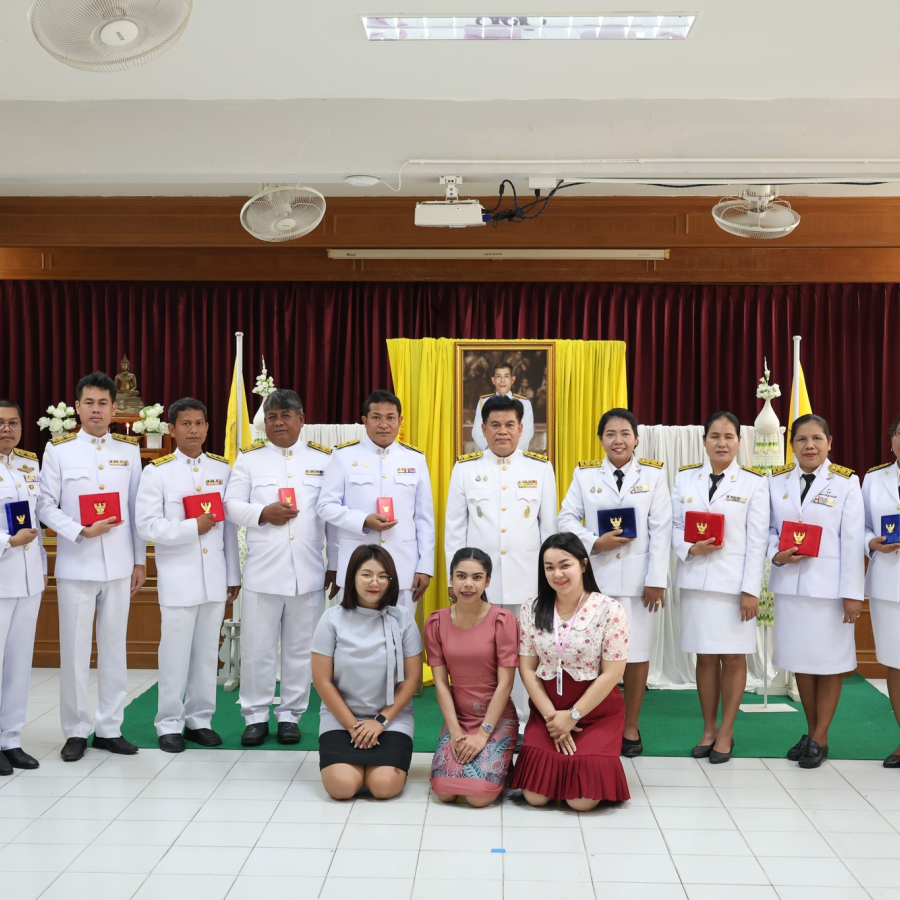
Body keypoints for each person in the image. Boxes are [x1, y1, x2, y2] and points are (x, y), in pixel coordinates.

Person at [38, 371, 146, 762]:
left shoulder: (129, 451)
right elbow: (45, 505)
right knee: (76, 650)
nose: (96, 410)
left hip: (118, 565)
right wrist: (80, 530)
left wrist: (139, 560)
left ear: (115, 408)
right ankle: (76, 730)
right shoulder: (59, 450)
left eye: (103, 403)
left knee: (115, 649)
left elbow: (136, 511)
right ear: (77, 407)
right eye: (89, 402)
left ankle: (109, 728)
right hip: (76, 563)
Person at [223, 389, 337, 747]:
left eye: (286, 416)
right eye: (272, 416)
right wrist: (261, 513)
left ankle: (290, 715)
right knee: (258, 649)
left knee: (301, 649)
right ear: (264, 423)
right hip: (263, 573)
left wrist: (333, 563)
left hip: (309, 573)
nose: (279, 422)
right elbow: (231, 505)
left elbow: (331, 515)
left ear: (301, 420)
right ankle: (255, 716)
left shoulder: (324, 460)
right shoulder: (249, 460)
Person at [558, 407, 671, 757]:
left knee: (635, 656)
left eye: (624, 433)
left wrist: (656, 580)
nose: (618, 440)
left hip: (640, 585)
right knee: (592, 656)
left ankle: (631, 726)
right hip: (596, 583)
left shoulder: (653, 475)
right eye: (610, 434)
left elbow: (662, 529)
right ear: (601, 440)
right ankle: (596, 722)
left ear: (636, 438)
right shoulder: (585, 474)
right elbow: (565, 518)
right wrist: (594, 542)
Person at [444, 394, 558, 727]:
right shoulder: (466, 469)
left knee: (526, 655)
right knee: (483, 657)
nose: (503, 431)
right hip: (481, 587)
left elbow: (549, 532)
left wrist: (549, 583)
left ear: (522, 429)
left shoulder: (540, 468)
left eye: (510, 424)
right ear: (483, 429)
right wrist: (458, 582)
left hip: (528, 585)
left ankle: (523, 722)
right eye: (495, 424)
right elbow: (455, 531)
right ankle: (485, 721)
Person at [135, 398, 241, 752]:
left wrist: (232, 575)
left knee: (207, 653)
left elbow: (228, 530)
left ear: (208, 428)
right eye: (185, 424)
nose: (193, 430)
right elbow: (147, 525)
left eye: (199, 423)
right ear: (171, 429)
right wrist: (191, 527)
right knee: (175, 653)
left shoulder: (222, 470)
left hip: (213, 577)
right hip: (178, 576)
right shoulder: (158, 472)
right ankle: (168, 723)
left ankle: (200, 719)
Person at [671, 412, 770, 764]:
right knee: (704, 656)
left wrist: (750, 591)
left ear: (740, 442)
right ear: (704, 441)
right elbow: (674, 525)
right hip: (696, 582)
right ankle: (709, 728)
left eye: (729, 436)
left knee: (733, 656)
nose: (722, 443)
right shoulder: (686, 480)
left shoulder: (754, 483)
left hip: (733, 588)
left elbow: (758, 543)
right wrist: (689, 549)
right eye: (715, 436)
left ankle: (727, 731)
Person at [769, 413, 864, 768]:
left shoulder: (846, 483)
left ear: (829, 443)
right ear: (791, 445)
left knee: (830, 664)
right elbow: (765, 530)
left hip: (829, 592)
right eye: (801, 440)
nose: (809, 446)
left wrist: (853, 594)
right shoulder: (776, 482)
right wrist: (775, 555)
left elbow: (853, 542)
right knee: (802, 665)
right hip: (791, 589)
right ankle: (813, 734)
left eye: (816, 439)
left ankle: (820, 736)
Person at [512, 532, 630, 810]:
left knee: (581, 802)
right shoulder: (532, 608)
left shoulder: (610, 610)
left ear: (584, 565)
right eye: (549, 567)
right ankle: (559, 770)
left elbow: (612, 674)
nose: (557, 574)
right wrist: (553, 718)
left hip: (595, 714)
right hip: (548, 714)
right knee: (535, 797)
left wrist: (574, 715)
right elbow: (527, 668)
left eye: (565, 565)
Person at [311, 545, 422, 800]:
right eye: (367, 574)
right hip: (341, 719)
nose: (375, 582)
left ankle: (372, 766)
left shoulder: (403, 618)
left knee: (384, 787)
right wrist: (353, 726)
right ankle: (357, 765)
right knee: (342, 787)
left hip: (391, 719)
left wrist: (380, 722)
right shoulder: (332, 619)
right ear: (352, 577)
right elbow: (322, 681)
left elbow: (412, 680)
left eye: (383, 576)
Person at [317, 390, 435, 613]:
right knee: (355, 638)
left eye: (390, 417)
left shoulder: (415, 459)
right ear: (364, 421)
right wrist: (363, 520)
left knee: (400, 638)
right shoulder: (344, 456)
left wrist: (425, 567)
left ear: (400, 421)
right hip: (357, 567)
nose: (384, 424)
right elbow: (325, 507)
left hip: (403, 568)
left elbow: (424, 518)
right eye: (376, 417)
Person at [426, 548, 518, 806]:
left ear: (487, 581)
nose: (468, 584)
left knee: (478, 797)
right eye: (461, 576)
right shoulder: (435, 622)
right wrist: (455, 732)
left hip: (495, 718)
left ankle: (501, 764)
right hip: (459, 718)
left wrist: (482, 734)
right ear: (451, 580)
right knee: (444, 792)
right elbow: (441, 684)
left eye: (477, 577)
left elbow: (506, 684)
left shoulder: (503, 620)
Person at [0, 400, 46, 774]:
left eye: (13, 423)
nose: (7, 429)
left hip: (28, 579)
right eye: (0, 423)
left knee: (18, 665)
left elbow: (38, 520)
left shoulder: (29, 464)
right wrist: (6, 542)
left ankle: (10, 739)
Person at [861, 413, 900, 768]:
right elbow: (860, 527)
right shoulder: (874, 480)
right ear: (891, 441)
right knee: (895, 663)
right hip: (889, 584)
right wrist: (871, 542)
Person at [472, 361, 535, 452]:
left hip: (515, 457)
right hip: (490, 455)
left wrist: (508, 450)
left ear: (512, 380)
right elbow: (477, 430)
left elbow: (527, 432)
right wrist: (488, 447)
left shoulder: (524, 403)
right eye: (498, 376)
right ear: (493, 380)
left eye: (506, 376)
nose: (502, 380)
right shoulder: (484, 402)